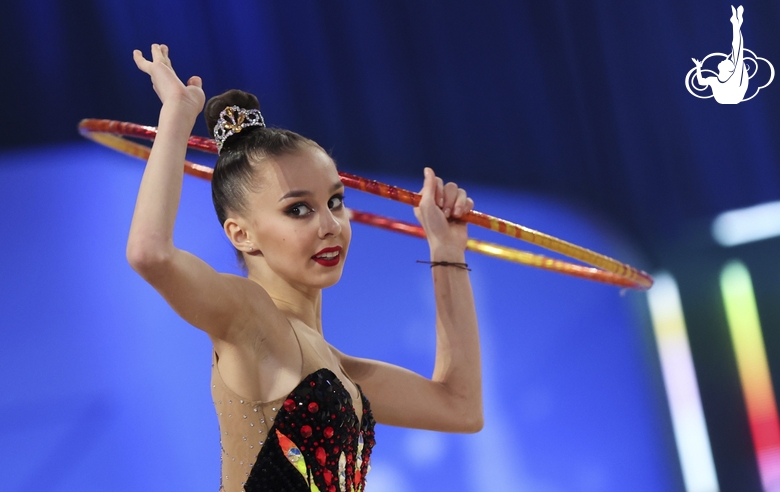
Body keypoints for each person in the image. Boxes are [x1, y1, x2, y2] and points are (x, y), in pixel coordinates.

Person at [129, 44, 483, 492]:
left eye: (335, 201)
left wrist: (447, 249)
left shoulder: (338, 368)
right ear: (241, 234)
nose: (331, 225)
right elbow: (149, 253)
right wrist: (176, 117)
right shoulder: (251, 319)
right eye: (298, 210)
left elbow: (461, 408)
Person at [692, 5, 748, 104]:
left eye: (726, 61)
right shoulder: (715, 80)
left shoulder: (731, 78)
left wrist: (698, 67)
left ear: (728, 69)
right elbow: (701, 82)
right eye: (727, 60)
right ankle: (736, 23)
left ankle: (736, 23)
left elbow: (738, 49)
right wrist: (698, 67)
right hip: (729, 97)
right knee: (737, 52)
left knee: (737, 51)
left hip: (733, 95)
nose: (724, 59)